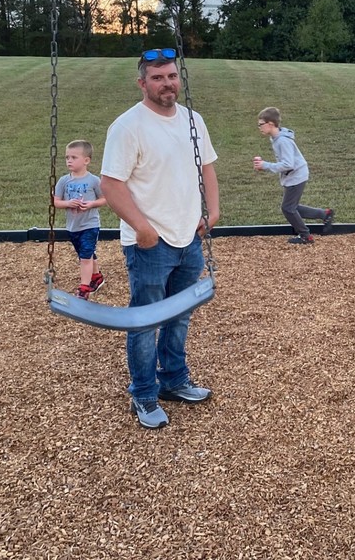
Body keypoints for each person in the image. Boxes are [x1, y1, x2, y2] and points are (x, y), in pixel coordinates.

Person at [100, 48, 221, 430]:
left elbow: (207, 167)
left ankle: (174, 380)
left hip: (191, 236)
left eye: (170, 76)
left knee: (179, 316)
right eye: (157, 78)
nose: (166, 83)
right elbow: (111, 184)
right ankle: (144, 394)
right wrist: (142, 227)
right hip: (150, 242)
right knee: (145, 320)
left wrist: (212, 210)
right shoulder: (128, 126)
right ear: (142, 83)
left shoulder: (192, 119)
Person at [253, 106, 334, 245]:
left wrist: (266, 165)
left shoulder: (282, 141)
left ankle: (305, 236)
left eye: (261, 124)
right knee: (292, 206)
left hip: (297, 176)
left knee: (288, 208)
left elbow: (288, 164)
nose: (259, 127)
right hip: (295, 175)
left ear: (270, 124)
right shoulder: (276, 138)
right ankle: (324, 214)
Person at [53, 140, 107, 300]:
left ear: (86, 160)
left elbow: (104, 199)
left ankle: (84, 288)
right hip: (73, 226)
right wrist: (68, 203)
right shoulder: (64, 181)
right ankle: (97, 277)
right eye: (67, 157)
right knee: (86, 254)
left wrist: (91, 204)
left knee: (84, 257)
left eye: (74, 157)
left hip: (90, 225)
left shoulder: (94, 181)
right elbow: (56, 201)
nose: (69, 160)